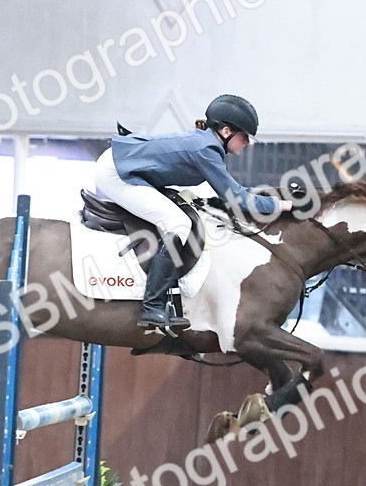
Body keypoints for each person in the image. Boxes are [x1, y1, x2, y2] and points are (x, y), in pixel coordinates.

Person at [94, 94, 291, 331]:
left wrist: (271, 199)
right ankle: (152, 306)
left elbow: (232, 190)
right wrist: (279, 206)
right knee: (178, 223)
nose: (247, 142)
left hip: (124, 164)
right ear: (227, 131)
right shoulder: (206, 149)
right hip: (116, 173)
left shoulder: (207, 145)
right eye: (245, 136)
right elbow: (235, 198)